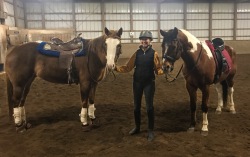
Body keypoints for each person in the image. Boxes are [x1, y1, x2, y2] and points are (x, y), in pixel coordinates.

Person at [115, 30, 163, 141]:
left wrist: (164, 71)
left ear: (150, 40)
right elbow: (128, 67)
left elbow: (158, 69)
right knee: (136, 107)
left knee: (149, 107)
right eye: (142, 39)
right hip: (137, 83)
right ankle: (137, 127)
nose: (144, 41)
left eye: (146, 39)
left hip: (149, 83)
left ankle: (150, 130)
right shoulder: (137, 53)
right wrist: (116, 68)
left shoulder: (154, 53)